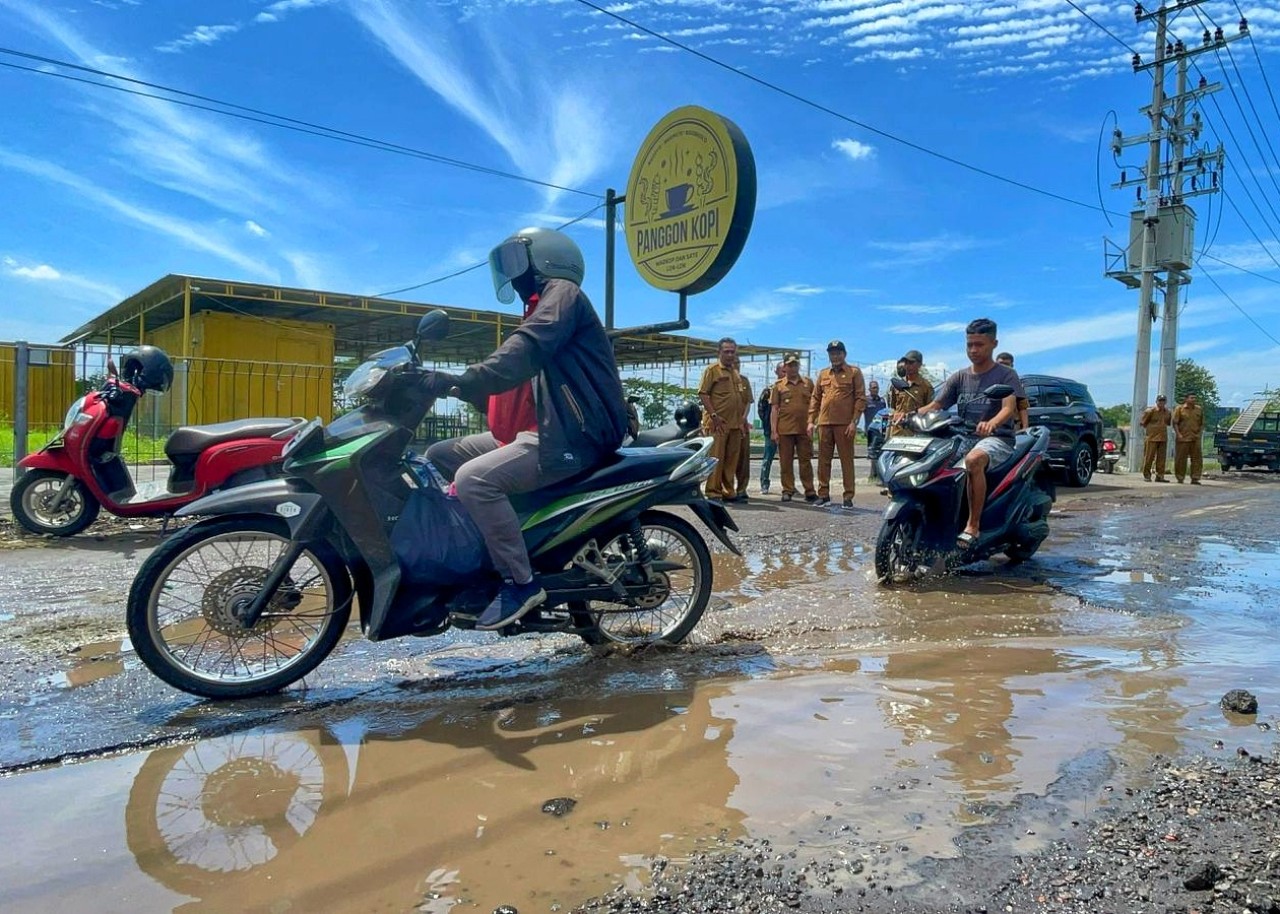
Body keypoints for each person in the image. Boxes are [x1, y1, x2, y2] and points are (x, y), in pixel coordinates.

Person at [425, 227, 628, 631]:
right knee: (439, 455)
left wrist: (468, 377)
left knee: (474, 479)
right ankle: (487, 549)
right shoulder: (537, 307)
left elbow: (525, 348)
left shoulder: (562, 296)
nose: (511, 274)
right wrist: (445, 382)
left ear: (546, 257)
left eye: (515, 261)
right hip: (542, 428)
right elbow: (510, 387)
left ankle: (521, 581)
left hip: (571, 433)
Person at [917, 318, 1023, 549]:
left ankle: (972, 525)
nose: (973, 350)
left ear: (994, 344)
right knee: (929, 459)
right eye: (969, 345)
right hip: (963, 436)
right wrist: (909, 414)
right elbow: (937, 405)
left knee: (973, 460)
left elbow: (1008, 408)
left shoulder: (1006, 376)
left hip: (996, 439)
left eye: (979, 345)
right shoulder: (959, 377)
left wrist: (991, 423)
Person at [808, 340, 866, 508]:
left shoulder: (854, 372)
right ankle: (823, 494)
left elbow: (860, 398)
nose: (835, 356)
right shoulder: (823, 374)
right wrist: (811, 421)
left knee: (846, 461)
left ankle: (848, 497)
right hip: (824, 423)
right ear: (829, 355)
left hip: (844, 425)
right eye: (832, 353)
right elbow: (815, 398)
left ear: (844, 354)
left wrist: (854, 422)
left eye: (838, 352)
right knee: (823, 461)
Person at [698, 338, 747, 503]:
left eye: (733, 351)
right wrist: (713, 416)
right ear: (719, 352)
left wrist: (741, 421)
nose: (730, 354)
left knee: (731, 460)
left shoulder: (735, 373)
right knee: (716, 458)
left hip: (734, 424)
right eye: (726, 351)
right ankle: (713, 492)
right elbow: (703, 394)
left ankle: (728, 491)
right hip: (717, 424)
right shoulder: (712, 370)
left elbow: (741, 398)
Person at [771, 352, 817, 503]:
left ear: (799, 365)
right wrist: (774, 431)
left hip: (804, 430)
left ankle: (809, 490)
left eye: (795, 364)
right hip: (785, 430)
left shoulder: (808, 383)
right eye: (790, 365)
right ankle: (787, 490)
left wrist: (813, 422)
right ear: (785, 366)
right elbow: (775, 409)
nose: (793, 367)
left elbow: (815, 404)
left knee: (805, 461)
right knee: (785, 462)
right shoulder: (778, 386)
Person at [887, 349, 934, 438]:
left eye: (911, 363)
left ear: (919, 365)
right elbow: (893, 407)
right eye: (906, 363)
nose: (908, 366)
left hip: (916, 432)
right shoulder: (897, 385)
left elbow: (930, 409)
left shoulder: (926, 386)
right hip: (897, 432)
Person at [758, 362, 785, 494]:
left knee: (786, 460)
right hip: (771, 431)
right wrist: (768, 425)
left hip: (787, 430)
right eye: (783, 371)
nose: (785, 374)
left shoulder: (790, 390)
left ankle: (788, 486)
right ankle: (764, 483)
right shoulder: (769, 390)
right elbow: (761, 409)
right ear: (776, 372)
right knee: (767, 458)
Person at [733, 355, 754, 503]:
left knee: (743, 459)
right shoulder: (722, 380)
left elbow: (748, 402)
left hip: (742, 425)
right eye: (733, 363)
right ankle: (724, 489)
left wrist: (742, 419)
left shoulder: (744, 381)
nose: (736, 365)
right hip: (727, 426)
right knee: (727, 460)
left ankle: (741, 489)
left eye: (738, 362)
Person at [1172, 393, 1205, 484]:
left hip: (1195, 438)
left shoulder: (1199, 409)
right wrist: (1178, 434)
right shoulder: (1179, 409)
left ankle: (1195, 478)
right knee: (1180, 459)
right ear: (1186, 399)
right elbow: (1175, 423)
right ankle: (1180, 477)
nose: (1194, 399)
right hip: (1183, 438)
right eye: (1191, 398)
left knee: (1197, 459)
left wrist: (1199, 434)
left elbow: (1202, 423)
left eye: (1195, 398)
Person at [1139, 394, 1172, 482]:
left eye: (1163, 401)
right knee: (1149, 457)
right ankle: (1147, 475)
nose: (1161, 403)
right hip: (1152, 437)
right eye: (1160, 401)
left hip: (1163, 437)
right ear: (1156, 401)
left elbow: (1168, 423)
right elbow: (1142, 423)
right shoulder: (1150, 411)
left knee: (1161, 458)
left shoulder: (1168, 412)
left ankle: (1160, 476)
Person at [995, 352, 1030, 430]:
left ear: (1012, 366)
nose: (1003, 366)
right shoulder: (988, 380)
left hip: (1011, 426)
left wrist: (1025, 427)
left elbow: (1022, 407)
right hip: (991, 424)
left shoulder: (1014, 382)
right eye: (1000, 363)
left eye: (1006, 364)